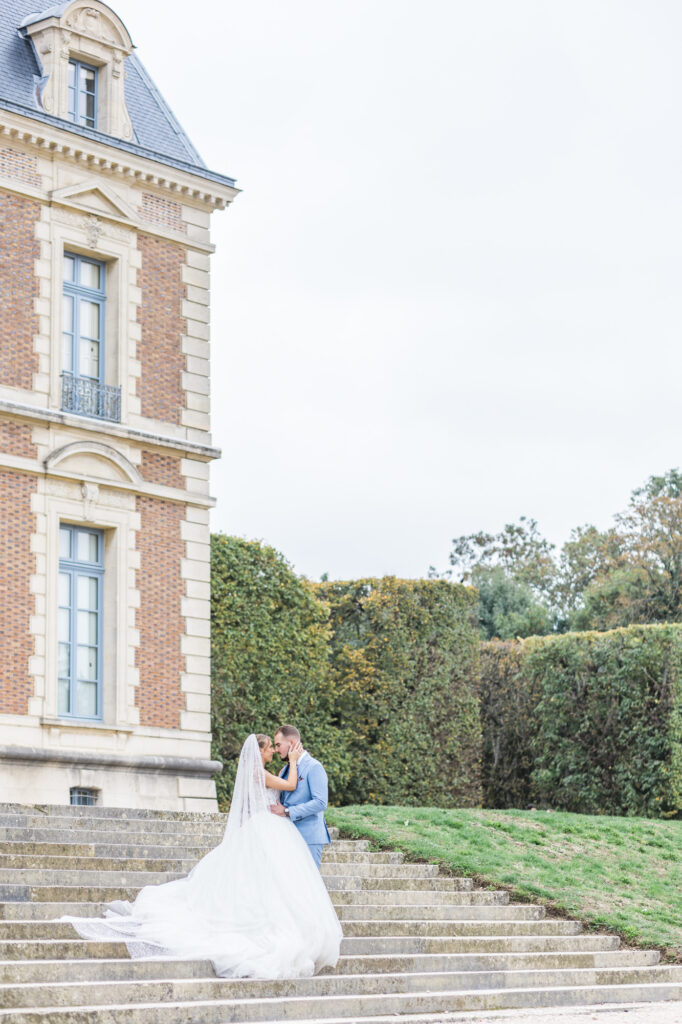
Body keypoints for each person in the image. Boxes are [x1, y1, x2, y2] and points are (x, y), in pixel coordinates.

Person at [59, 734, 342, 979]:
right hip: (268, 826)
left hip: (270, 826)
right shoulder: (265, 773)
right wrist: (293, 763)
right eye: (271, 747)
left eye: (276, 746)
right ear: (260, 751)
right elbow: (291, 787)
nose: (274, 751)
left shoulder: (271, 771)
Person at [269, 725, 331, 870]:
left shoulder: (314, 766)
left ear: (291, 743)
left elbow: (321, 802)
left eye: (278, 745)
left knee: (310, 885)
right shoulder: (285, 770)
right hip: (288, 836)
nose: (276, 750)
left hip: (309, 836)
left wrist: (287, 811)